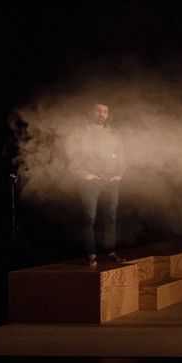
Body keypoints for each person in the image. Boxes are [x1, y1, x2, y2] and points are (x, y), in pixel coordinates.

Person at [68, 102, 127, 267]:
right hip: (90, 181)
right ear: (90, 112)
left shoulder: (113, 134)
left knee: (110, 217)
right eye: (98, 111)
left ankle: (111, 253)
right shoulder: (78, 134)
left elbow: (121, 156)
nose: (102, 114)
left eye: (105, 111)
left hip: (111, 180)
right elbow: (70, 158)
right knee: (89, 218)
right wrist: (84, 175)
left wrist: (119, 174)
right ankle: (90, 255)